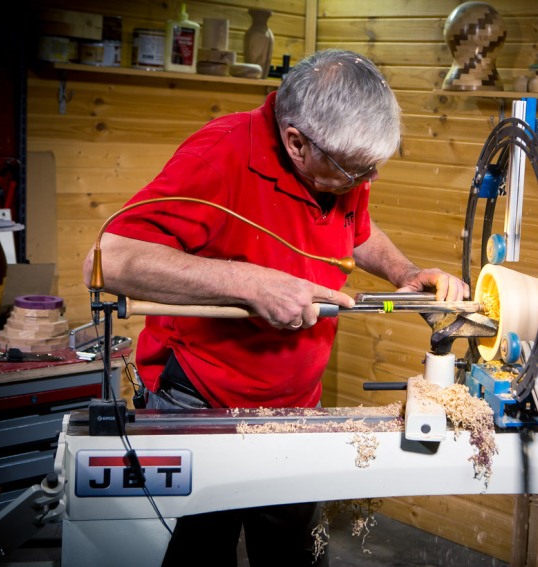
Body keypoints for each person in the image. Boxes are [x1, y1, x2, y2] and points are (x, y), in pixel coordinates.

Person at [83, 49, 469, 566]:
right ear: (295, 142)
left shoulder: (337, 165)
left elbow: (355, 230)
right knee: (199, 552)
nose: (361, 184)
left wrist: (405, 275)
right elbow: (107, 260)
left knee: (290, 553)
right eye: (353, 172)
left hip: (294, 403)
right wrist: (249, 282)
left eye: (369, 173)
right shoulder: (219, 156)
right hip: (201, 400)